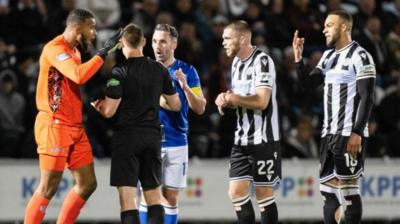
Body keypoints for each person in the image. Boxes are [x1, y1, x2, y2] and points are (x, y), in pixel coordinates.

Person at [24, 8, 122, 224]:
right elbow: (78, 75)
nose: (95, 33)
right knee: (48, 187)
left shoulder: (75, 51)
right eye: (92, 27)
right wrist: (104, 51)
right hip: (54, 125)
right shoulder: (54, 48)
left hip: (74, 127)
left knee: (88, 184)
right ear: (78, 28)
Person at [91, 23, 181, 224]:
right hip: (152, 137)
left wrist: (99, 106)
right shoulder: (159, 69)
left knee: (128, 201)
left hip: (127, 138)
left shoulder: (119, 71)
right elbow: (175, 104)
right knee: (154, 197)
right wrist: (153, 99)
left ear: (121, 43)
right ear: (143, 42)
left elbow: (109, 111)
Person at [293, 10, 376, 224]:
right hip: (328, 134)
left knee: (348, 192)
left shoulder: (360, 55)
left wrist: (357, 131)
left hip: (349, 133)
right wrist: (298, 60)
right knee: (328, 194)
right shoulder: (328, 56)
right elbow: (306, 85)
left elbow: (367, 96)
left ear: (344, 27)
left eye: (329, 25)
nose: (324, 29)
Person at [139, 23, 206, 224]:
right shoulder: (144, 69)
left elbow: (200, 107)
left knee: (171, 198)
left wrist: (185, 87)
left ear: (174, 44)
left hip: (177, 141)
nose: (157, 46)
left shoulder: (187, 71)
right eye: (154, 41)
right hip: (150, 140)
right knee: (147, 195)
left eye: (163, 41)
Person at [215, 20, 281, 224]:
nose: (223, 42)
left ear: (242, 38)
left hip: (264, 139)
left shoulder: (262, 61)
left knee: (263, 194)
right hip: (241, 139)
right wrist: (226, 99)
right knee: (235, 193)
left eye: (227, 38)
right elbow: (242, 98)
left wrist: (234, 98)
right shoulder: (236, 63)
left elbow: (261, 101)